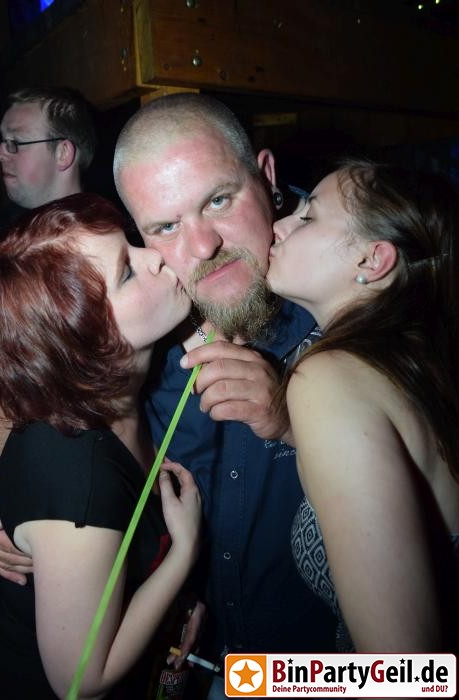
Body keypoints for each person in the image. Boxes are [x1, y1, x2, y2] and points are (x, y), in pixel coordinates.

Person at [112, 91, 337, 683]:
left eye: (218, 200)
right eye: (165, 226)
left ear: (267, 177)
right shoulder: (146, 342)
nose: (202, 246)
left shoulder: (353, 316)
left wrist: (293, 425)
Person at [0, 193, 202, 699]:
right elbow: (81, 682)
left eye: (132, 243)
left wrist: (174, 607)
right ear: (85, 342)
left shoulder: (127, 397)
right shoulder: (79, 478)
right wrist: (184, 556)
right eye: (127, 272)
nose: (155, 256)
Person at [266, 159, 459, 651]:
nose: (279, 226)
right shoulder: (417, 362)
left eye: (308, 217)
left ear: (373, 261)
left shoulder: (326, 377)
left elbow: (405, 673)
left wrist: (254, 679)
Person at [0, 85, 96, 237]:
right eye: (2, 140)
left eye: (16, 142)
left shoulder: (104, 239)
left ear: (63, 153)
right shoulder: (0, 232)